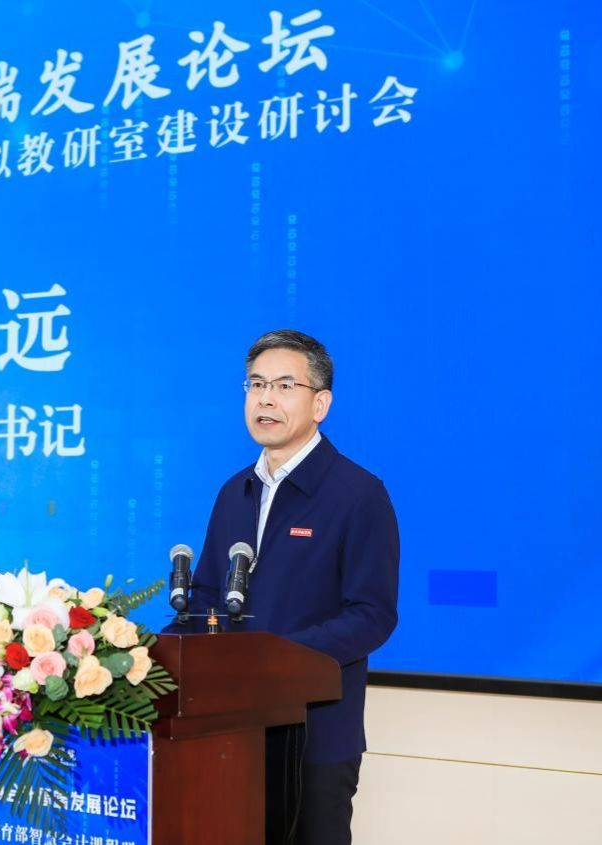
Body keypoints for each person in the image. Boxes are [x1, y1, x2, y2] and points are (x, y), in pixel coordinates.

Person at [183, 329, 400, 845]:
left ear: (320, 404)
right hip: (232, 728)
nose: (265, 399)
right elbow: (206, 597)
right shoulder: (234, 492)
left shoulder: (358, 494)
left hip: (316, 736)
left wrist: (277, 660)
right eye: (256, 384)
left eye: (284, 386)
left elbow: (371, 614)